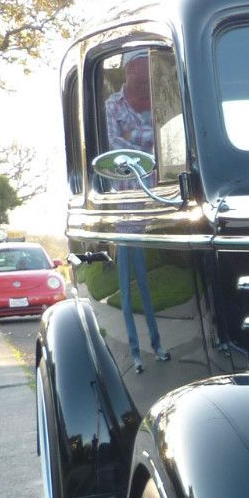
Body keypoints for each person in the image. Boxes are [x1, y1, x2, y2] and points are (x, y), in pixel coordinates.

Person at [104, 52, 169, 372]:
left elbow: (170, 142)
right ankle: (134, 353)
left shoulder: (164, 99)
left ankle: (158, 346)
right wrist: (152, 147)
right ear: (130, 68)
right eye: (141, 61)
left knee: (150, 286)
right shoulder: (113, 107)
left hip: (162, 208)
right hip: (127, 213)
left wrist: (145, 144)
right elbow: (121, 152)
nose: (148, 66)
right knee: (127, 291)